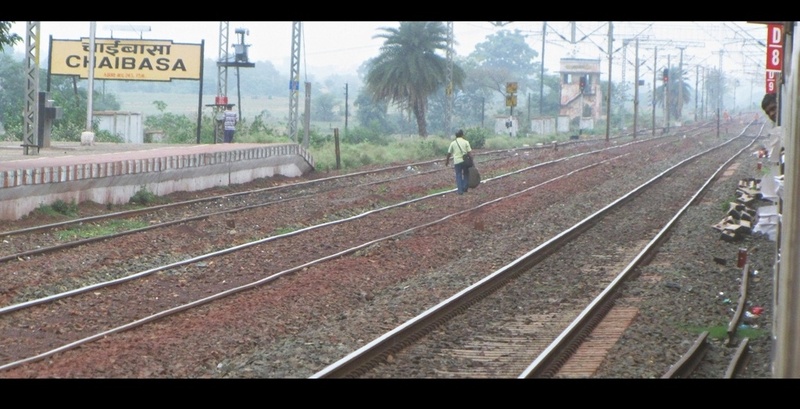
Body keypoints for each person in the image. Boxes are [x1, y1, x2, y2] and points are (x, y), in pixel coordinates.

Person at [444, 129, 472, 195]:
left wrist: (447, 161)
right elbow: (470, 153)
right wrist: (472, 161)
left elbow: (449, 153)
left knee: (458, 175)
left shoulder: (453, 143)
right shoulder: (466, 142)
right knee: (466, 174)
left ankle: (460, 191)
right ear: (462, 135)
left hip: (457, 162)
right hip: (465, 161)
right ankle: (465, 187)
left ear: (456, 136)